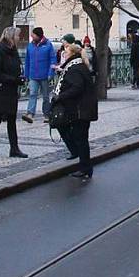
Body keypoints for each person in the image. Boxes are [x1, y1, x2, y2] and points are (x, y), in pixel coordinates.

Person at [55, 42, 97, 179]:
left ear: (72, 54)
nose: (64, 54)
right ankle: (84, 166)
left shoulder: (74, 68)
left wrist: (60, 96)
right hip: (83, 109)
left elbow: (76, 88)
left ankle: (85, 167)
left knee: (80, 138)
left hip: (80, 109)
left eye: (66, 52)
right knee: (80, 137)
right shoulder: (79, 66)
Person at [0, 26, 27, 160]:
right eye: (17, 36)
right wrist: (13, 79)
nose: (19, 38)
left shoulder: (13, 51)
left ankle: (14, 148)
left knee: (11, 120)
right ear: (10, 37)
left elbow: (16, 67)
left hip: (10, 90)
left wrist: (19, 78)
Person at [22, 26, 55, 124]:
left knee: (45, 96)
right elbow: (27, 60)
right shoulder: (30, 45)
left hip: (45, 75)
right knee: (32, 94)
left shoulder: (48, 45)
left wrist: (50, 73)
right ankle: (30, 113)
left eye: (33, 35)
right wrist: (26, 74)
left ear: (38, 35)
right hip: (33, 75)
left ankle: (47, 114)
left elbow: (52, 60)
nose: (32, 36)